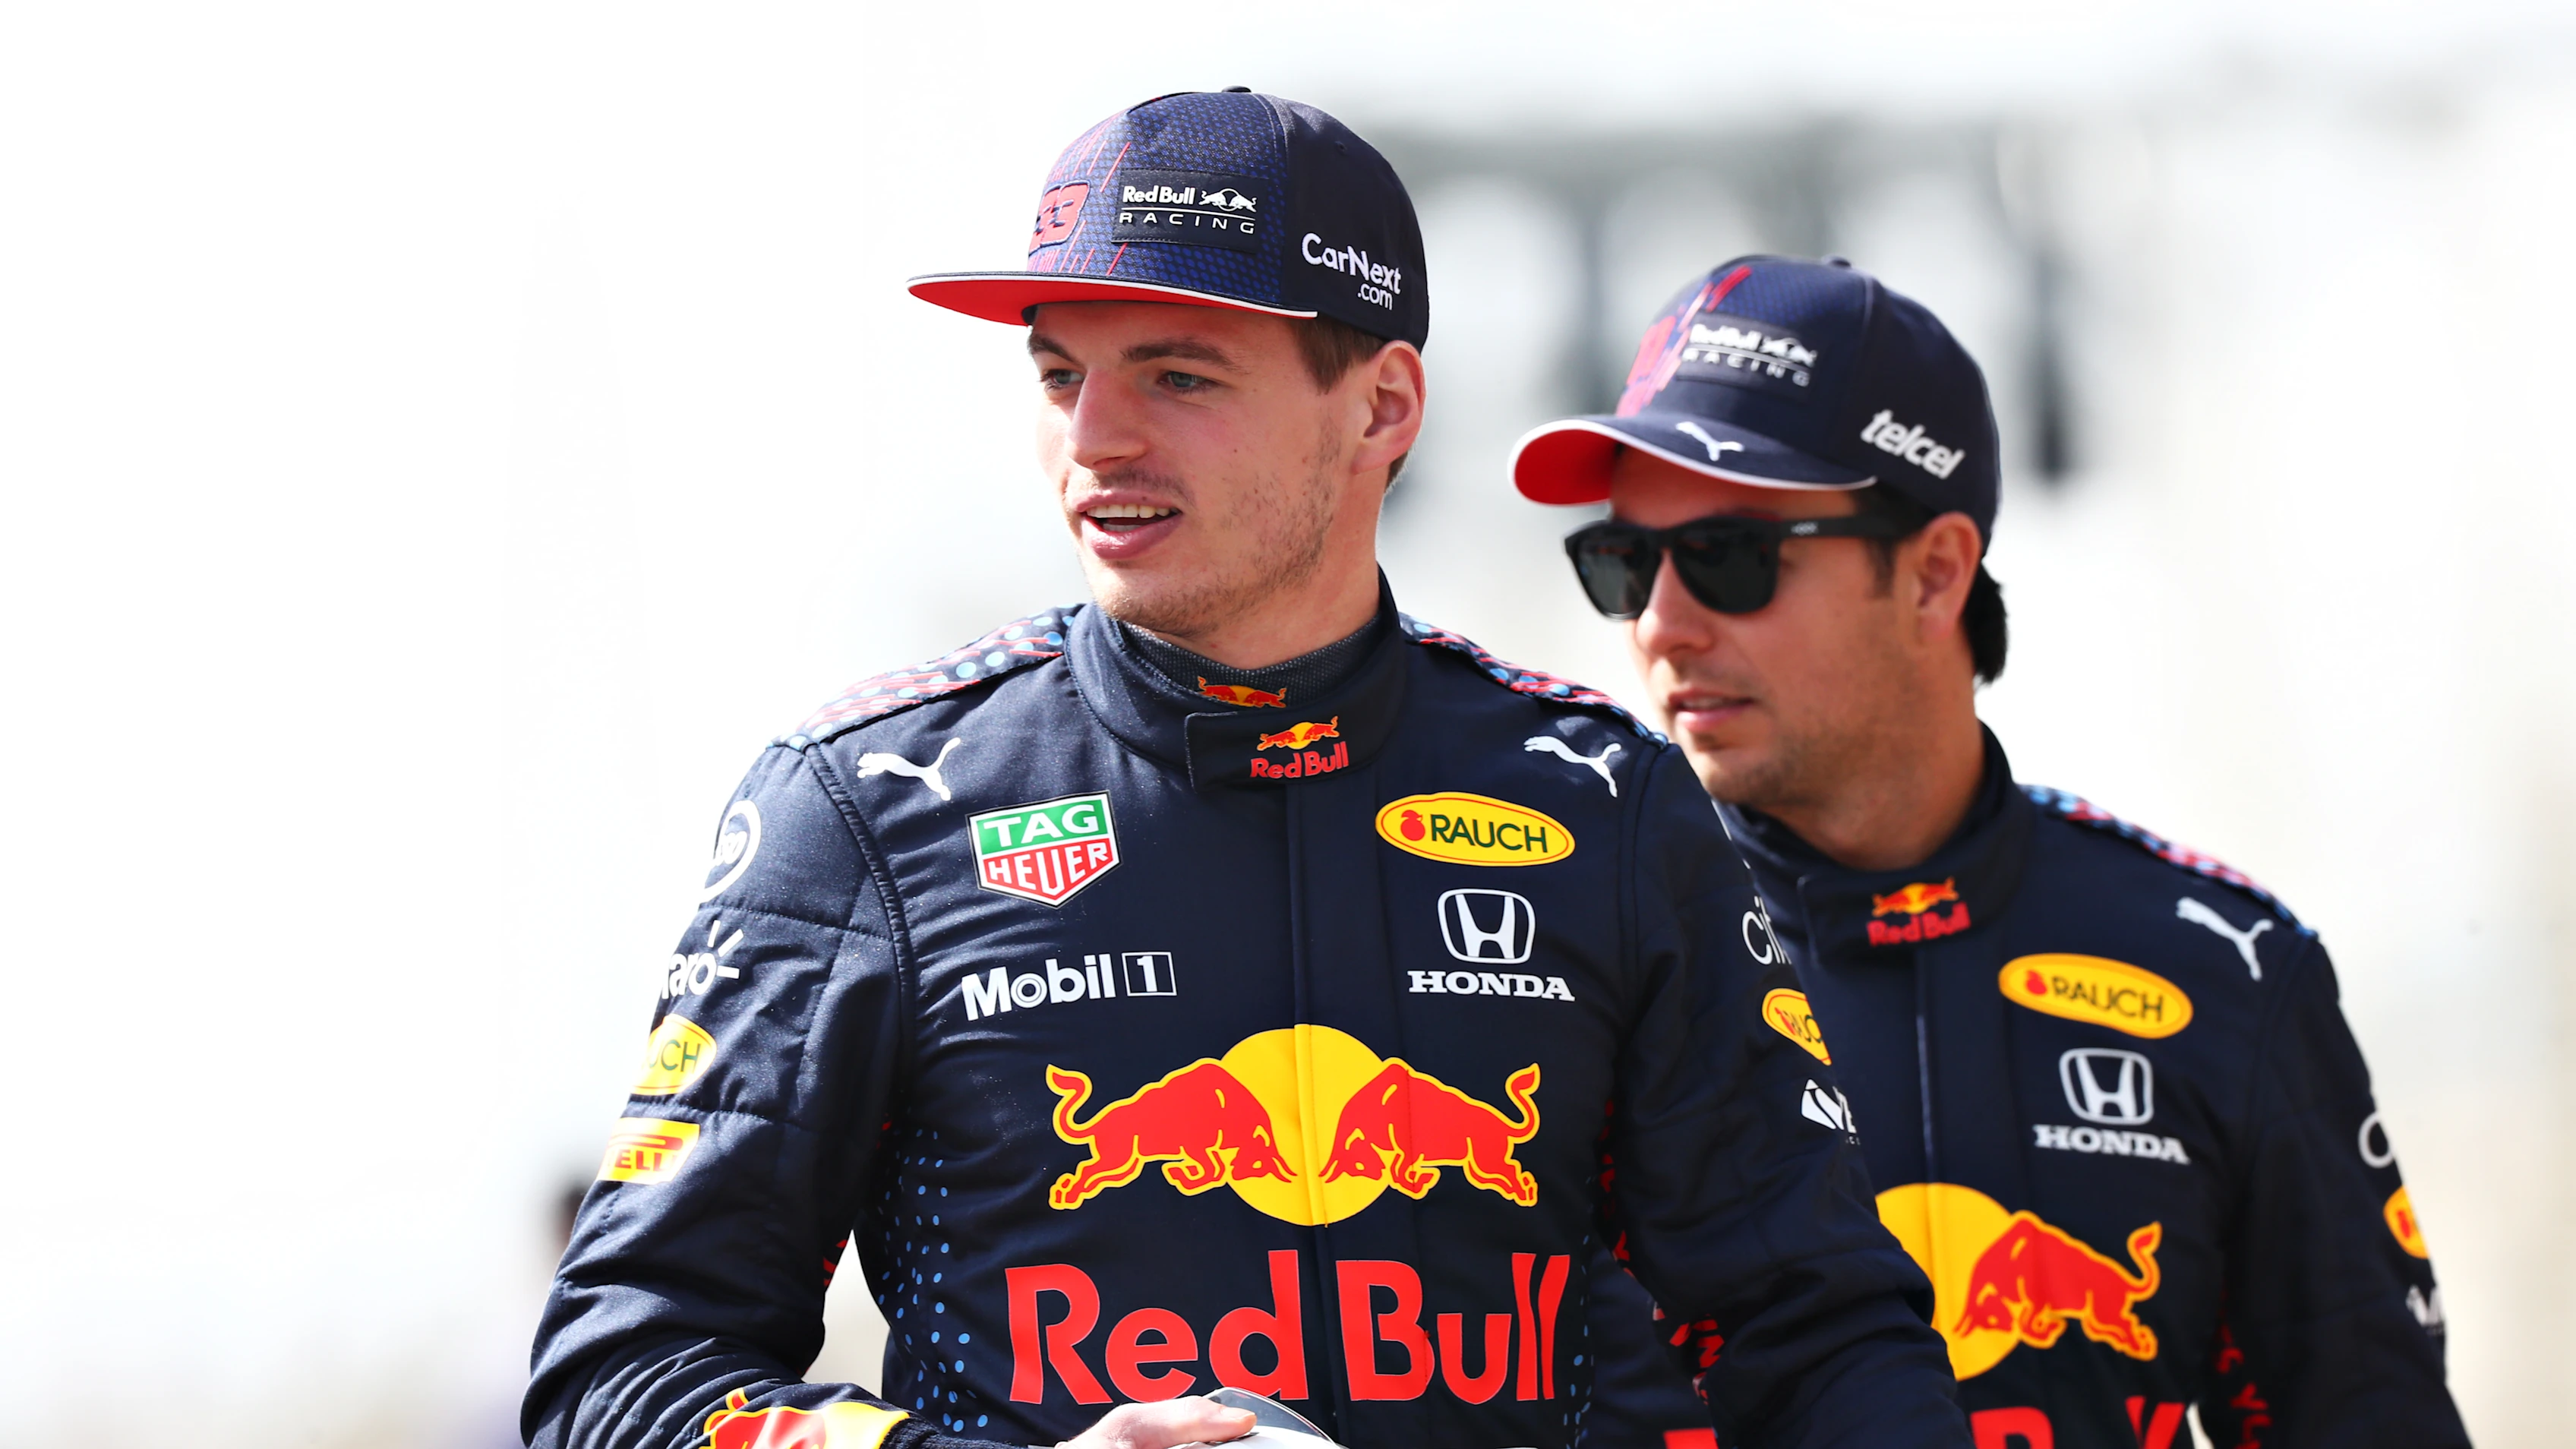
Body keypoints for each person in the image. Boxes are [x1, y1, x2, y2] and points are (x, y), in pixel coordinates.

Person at [525, 98, 1974, 1449]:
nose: (1097, 436)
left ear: (1383, 408)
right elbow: (623, 1373)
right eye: (1059, 373)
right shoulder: (865, 807)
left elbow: (1824, 1336)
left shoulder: (1608, 808)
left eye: (1179, 374)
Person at [1513, 254, 2473, 1447]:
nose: (1661, 622)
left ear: (1935, 572)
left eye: (1727, 558)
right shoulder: (1549, 957)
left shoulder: (2228, 975)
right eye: (1623, 563)